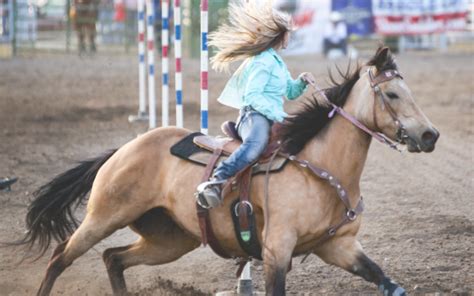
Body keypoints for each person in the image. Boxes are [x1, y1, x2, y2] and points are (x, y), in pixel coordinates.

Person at [196, 2, 315, 209]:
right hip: (254, 117)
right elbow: (252, 96)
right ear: (280, 35)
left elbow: (290, 92)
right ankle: (216, 181)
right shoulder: (262, 61)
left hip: (272, 115)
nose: (290, 37)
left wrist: (301, 82)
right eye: (288, 34)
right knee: (254, 147)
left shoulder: (277, 62)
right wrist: (276, 116)